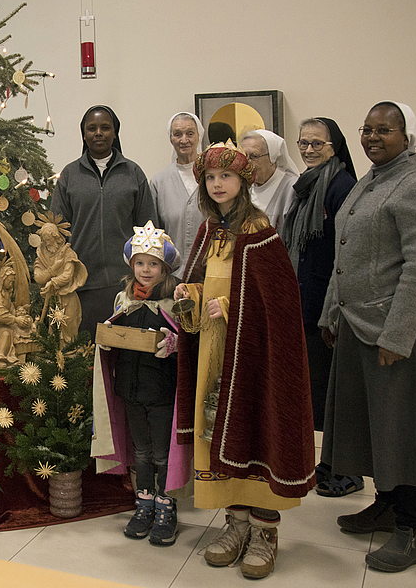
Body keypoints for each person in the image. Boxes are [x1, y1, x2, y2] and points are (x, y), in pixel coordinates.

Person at [173, 141, 315, 579]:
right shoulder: (207, 231)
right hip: (214, 355)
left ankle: (264, 530)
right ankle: (235, 524)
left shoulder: (260, 231)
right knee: (219, 433)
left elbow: (279, 303)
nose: (217, 184)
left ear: (244, 181)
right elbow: (202, 282)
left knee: (253, 432)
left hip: (250, 357)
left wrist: (233, 308)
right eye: (210, 178)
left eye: (226, 177)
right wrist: (189, 296)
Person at [319, 102, 416, 573]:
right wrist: (332, 314)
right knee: (374, 426)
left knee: (403, 431)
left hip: (395, 336)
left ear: (406, 135)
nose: (372, 137)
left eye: (383, 130)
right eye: (366, 129)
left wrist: (399, 333)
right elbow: (344, 255)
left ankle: (413, 529)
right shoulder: (371, 180)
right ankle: (387, 505)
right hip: (357, 328)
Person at [280, 117, 357, 497]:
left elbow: (345, 253)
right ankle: (329, 464)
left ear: (334, 146)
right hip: (305, 301)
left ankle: (347, 471)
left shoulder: (341, 185)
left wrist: (330, 312)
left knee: (332, 392)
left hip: (328, 306)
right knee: (318, 390)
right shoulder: (306, 185)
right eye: (303, 143)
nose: (309, 149)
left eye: (317, 143)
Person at [97, 222, 181, 545]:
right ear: (132, 265)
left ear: (165, 268)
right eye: (141, 263)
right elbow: (118, 332)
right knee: (141, 451)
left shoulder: (172, 301)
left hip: (160, 392)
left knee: (161, 454)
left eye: (154, 264)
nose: (146, 270)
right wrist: (107, 339)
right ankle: (144, 504)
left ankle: (166, 506)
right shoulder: (124, 299)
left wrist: (174, 344)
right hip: (130, 390)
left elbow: (184, 343)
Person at [51, 105, 157, 336]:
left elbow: (148, 231)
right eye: (92, 128)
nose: (98, 133)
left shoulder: (133, 174)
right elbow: (55, 232)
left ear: (115, 133)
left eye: (105, 127)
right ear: (84, 134)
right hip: (80, 285)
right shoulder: (69, 175)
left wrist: (146, 277)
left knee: (122, 357)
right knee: (83, 359)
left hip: (126, 285)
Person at [150, 112, 205, 278]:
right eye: (177, 134)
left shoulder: (213, 178)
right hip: (172, 277)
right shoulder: (159, 182)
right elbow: (155, 235)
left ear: (199, 136)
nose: (184, 140)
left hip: (209, 275)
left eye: (190, 133)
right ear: (171, 138)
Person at [240, 129, 299, 234]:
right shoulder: (243, 187)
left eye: (254, 156)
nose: (247, 163)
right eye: (245, 156)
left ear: (272, 158)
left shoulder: (291, 188)